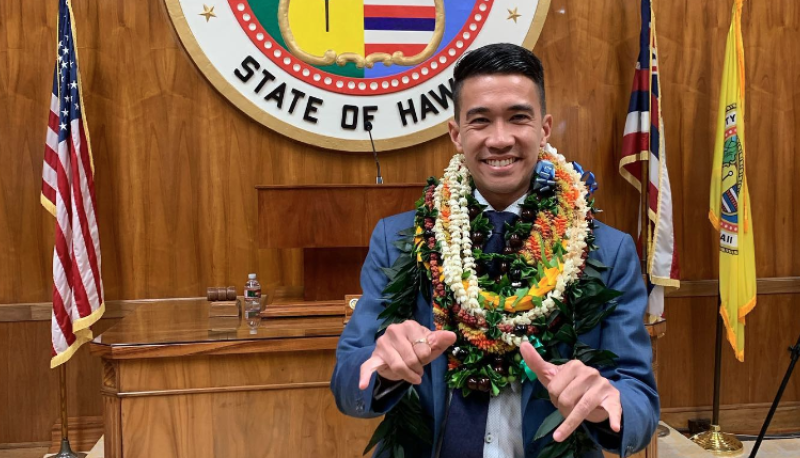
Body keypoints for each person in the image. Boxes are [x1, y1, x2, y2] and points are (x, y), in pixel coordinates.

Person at [331, 43, 659, 458]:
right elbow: (347, 381)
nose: (500, 139)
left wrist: (606, 402)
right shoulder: (397, 240)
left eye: (519, 118)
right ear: (456, 134)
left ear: (544, 129)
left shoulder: (607, 251)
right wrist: (382, 368)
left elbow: (639, 402)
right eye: (480, 121)